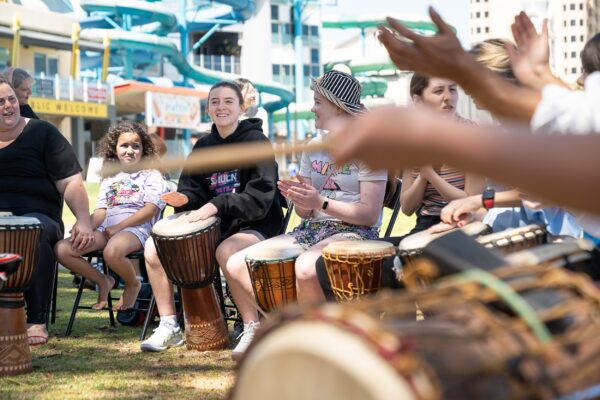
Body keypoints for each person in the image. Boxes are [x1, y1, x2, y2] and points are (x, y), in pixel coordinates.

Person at [224, 70, 387, 360]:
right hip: (313, 229)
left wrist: (320, 202)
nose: (312, 108)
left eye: (317, 102)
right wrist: (299, 198)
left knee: (306, 267)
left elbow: (369, 213)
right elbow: (304, 211)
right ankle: (273, 328)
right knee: (237, 264)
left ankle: (318, 345)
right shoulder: (314, 146)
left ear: (337, 106)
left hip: (355, 231)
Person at [140, 81, 283, 352]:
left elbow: (261, 196)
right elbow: (193, 189)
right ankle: (169, 324)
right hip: (213, 226)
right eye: (215, 101)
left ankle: (252, 326)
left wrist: (217, 204)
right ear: (208, 109)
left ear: (242, 107)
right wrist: (185, 200)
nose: (221, 107)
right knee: (153, 248)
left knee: (227, 251)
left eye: (228, 101)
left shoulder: (256, 141)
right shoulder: (203, 145)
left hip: (255, 223)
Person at [0, 76, 93, 345]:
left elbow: (71, 182)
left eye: (11, 99)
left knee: (34, 231)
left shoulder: (43, 132)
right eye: (1, 102)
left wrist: (84, 221)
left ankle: (36, 320)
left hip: (39, 216)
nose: (8, 106)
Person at [55, 121, 167, 311]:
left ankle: (133, 284)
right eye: (124, 145)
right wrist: (85, 226)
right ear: (115, 149)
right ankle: (103, 280)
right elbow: (101, 211)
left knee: (111, 252)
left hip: (135, 229)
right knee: (62, 249)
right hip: (106, 229)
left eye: (135, 146)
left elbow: (150, 210)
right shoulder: (110, 177)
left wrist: (118, 227)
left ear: (144, 149)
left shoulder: (151, 175)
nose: (129, 150)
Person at [400, 73, 483, 233]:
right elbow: (407, 208)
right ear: (418, 100)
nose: (448, 97)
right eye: (438, 91)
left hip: (463, 222)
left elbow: (472, 201)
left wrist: (431, 174)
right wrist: (423, 176)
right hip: (426, 223)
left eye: (452, 89)